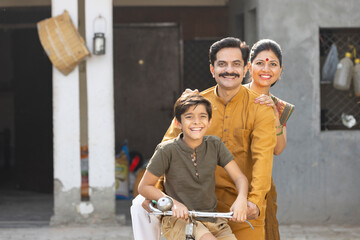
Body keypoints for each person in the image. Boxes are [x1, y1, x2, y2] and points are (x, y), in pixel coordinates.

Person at [131, 37, 276, 240]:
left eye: (236, 64)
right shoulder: (195, 105)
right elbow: (168, 146)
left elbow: (263, 160)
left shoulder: (261, 108)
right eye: (222, 64)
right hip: (193, 204)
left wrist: (254, 202)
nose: (229, 70)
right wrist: (158, 196)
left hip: (240, 206)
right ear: (212, 69)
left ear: (246, 69)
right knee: (139, 205)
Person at [138, 93, 249, 240]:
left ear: (209, 121)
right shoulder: (166, 150)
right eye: (189, 117)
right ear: (178, 123)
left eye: (202, 116)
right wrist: (173, 204)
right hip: (178, 221)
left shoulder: (215, 145)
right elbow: (144, 187)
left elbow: (240, 177)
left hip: (212, 220)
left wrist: (241, 198)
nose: (197, 122)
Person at [244, 39, 295, 240]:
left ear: (280, 71)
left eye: (273, 64)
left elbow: (279, 149)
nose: (266, 69)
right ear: (249, 67)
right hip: (227, 181)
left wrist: (273, 114)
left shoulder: (279, 107)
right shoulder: (235, 96)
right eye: (260, 63)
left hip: (261, 184)